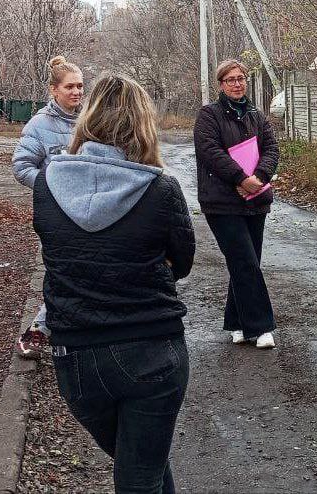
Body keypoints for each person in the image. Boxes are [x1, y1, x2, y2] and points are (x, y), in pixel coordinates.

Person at [33, 73, 194, 494]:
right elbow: (182, 263)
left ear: (87, 119)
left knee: (142, 464)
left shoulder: (47, 184)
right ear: (143, 125)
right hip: (151, 350)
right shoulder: (161, 189)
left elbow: (60, 253)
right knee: (141, 472)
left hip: (75, 356)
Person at [194, 59, 280, 349]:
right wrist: (241, 179)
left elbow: (271, 149)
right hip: (222, 202)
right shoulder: (209, 115)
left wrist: (259, 177)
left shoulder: (257, 115)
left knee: (247, 262)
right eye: (230, 79)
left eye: (241, 78)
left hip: (255, 198)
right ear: (221, 84)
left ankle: (237, 322)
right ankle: (262, 327)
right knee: (244, 261)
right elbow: (210, 152)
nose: (237, 84)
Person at [11, 55, 84, 359]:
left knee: (81, 271)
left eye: (80, 86)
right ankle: (38, 331)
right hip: (55, 215)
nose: (76, 92)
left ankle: (76, 333)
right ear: (54, 90)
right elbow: (21, 167)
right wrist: (52, 187)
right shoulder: (39, 125)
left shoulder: (88, 120)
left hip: (86, 211)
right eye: (70, 87)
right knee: (62, 273)